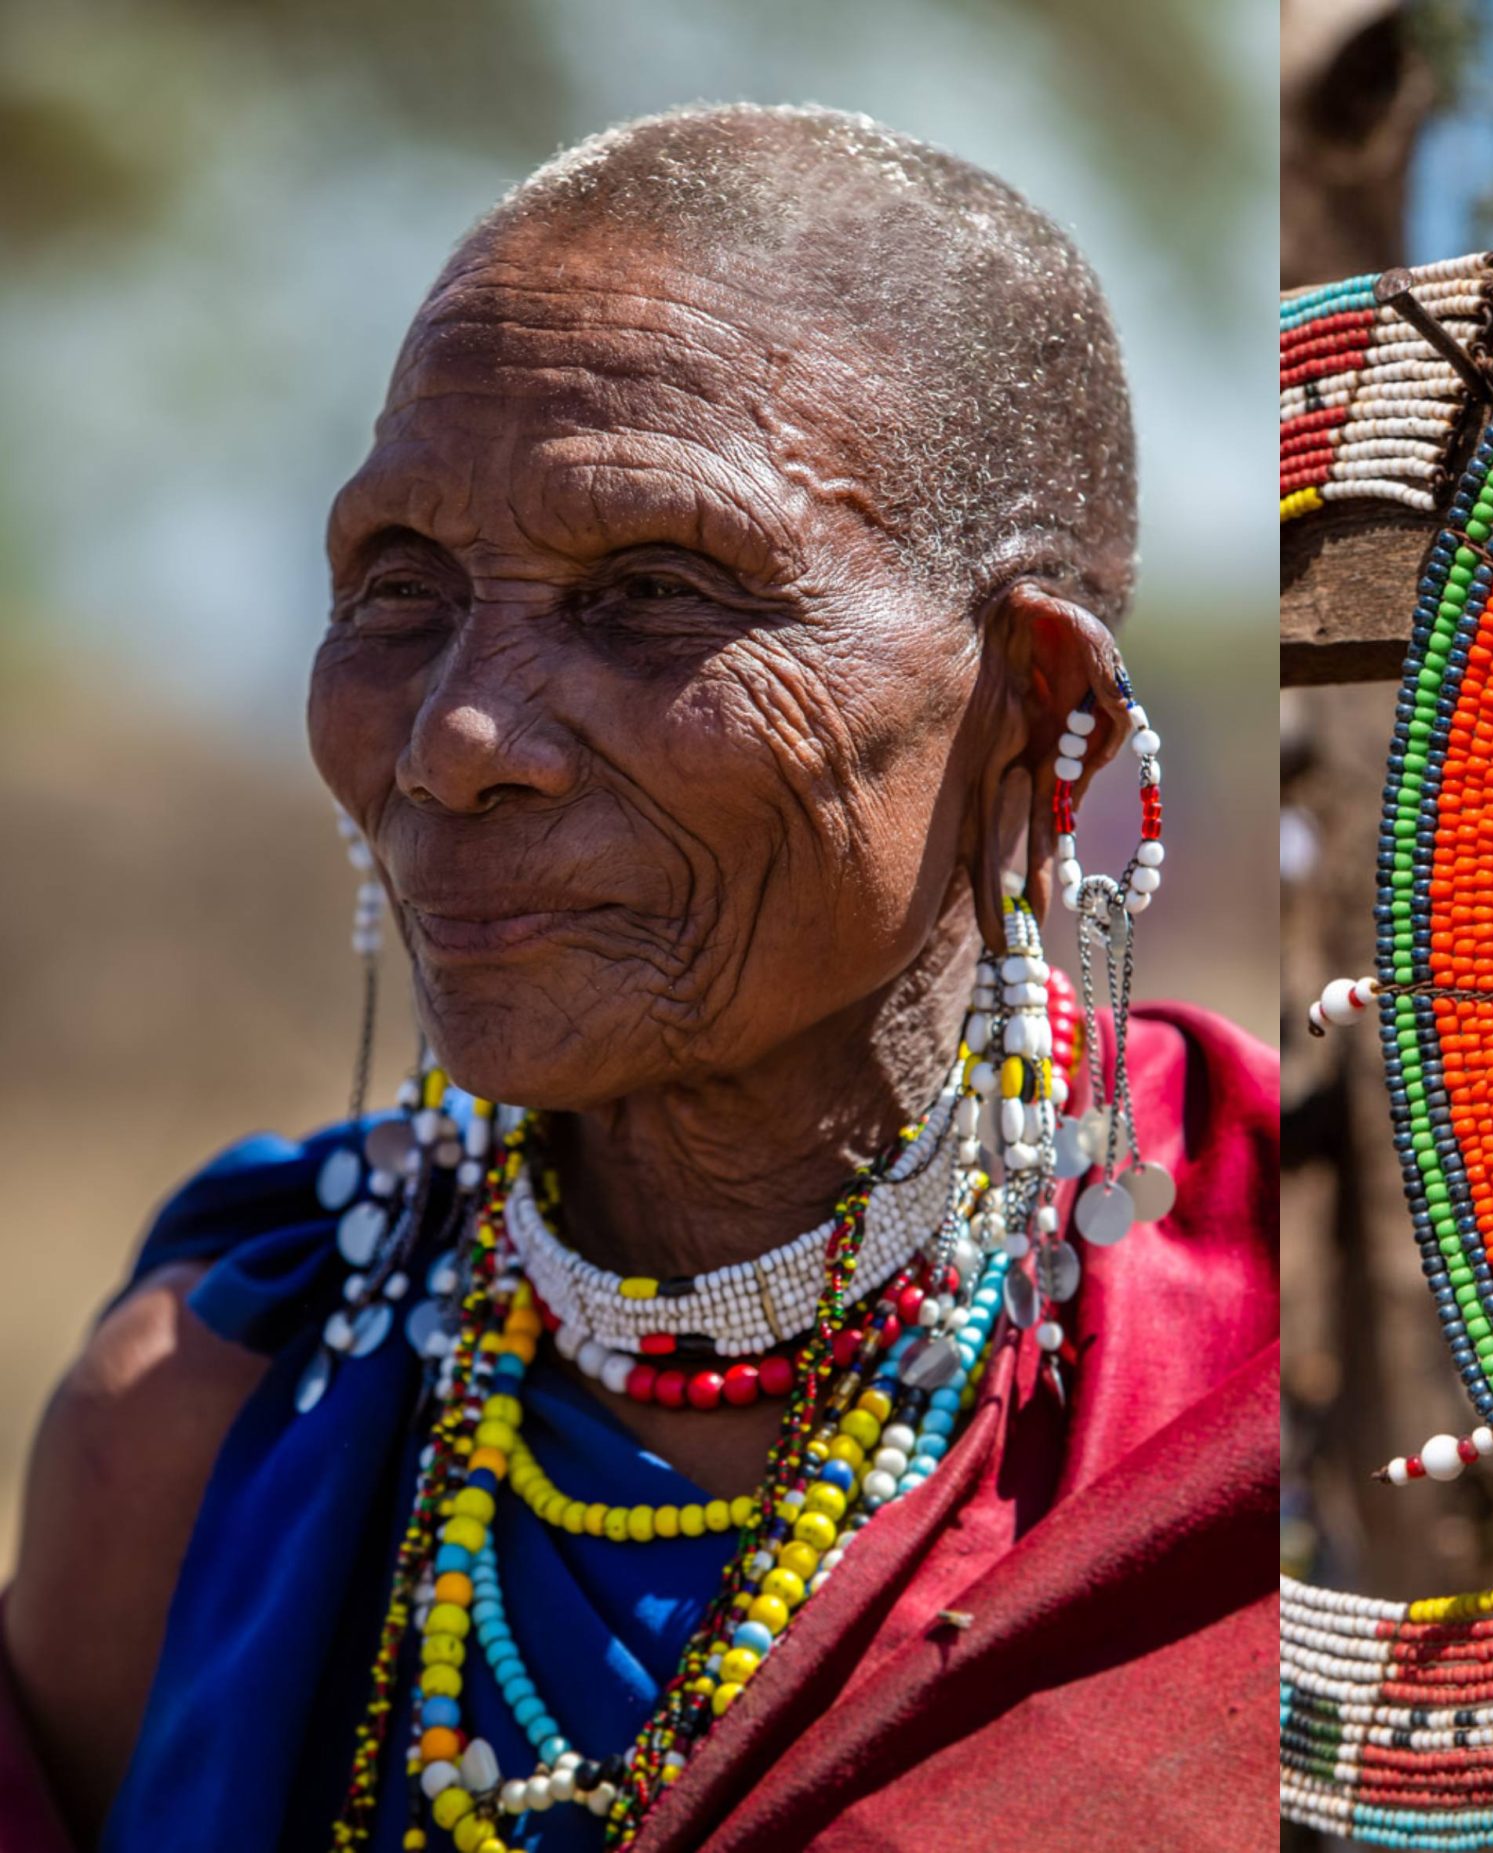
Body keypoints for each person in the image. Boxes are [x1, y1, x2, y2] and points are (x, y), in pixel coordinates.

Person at [0, 105, 1277, 1853]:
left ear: (1037, 710)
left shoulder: (1263, 1384)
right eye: (397, 583)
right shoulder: (200, 1418)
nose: (453, 738)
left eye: (653, 593)